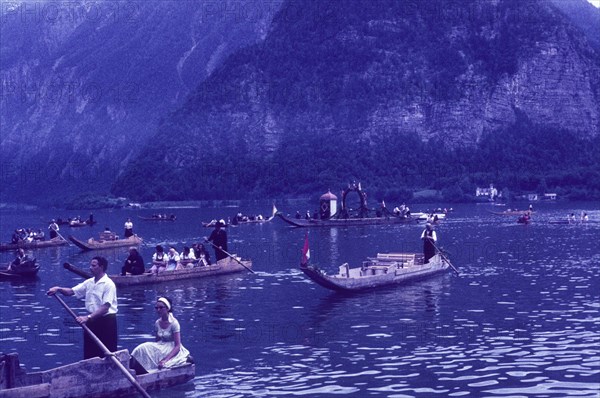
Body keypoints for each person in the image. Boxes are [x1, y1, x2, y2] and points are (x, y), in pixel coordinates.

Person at [47, 256, 118, 359]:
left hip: (106, 322)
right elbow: (71, 291)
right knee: (90, 353)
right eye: (90, 265)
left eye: (93, 266)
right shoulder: (89, 282)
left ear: (101, 267)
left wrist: (87, 318)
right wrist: (58, 289)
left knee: (108, 353)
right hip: (91, 322)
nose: (90, 268)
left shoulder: (109, 284)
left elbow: (105, 308)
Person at [130, 297, 191, 374]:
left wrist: (165, 360)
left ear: (167, 308)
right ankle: (133, 364)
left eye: (161, 307)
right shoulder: (157, 323)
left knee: (145, 348)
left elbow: (177, 346)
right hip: (161, 346)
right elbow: (157, 341)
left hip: (171, 347)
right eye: (157, 308)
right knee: (142, 347)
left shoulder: (174, 323)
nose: (158, 310)